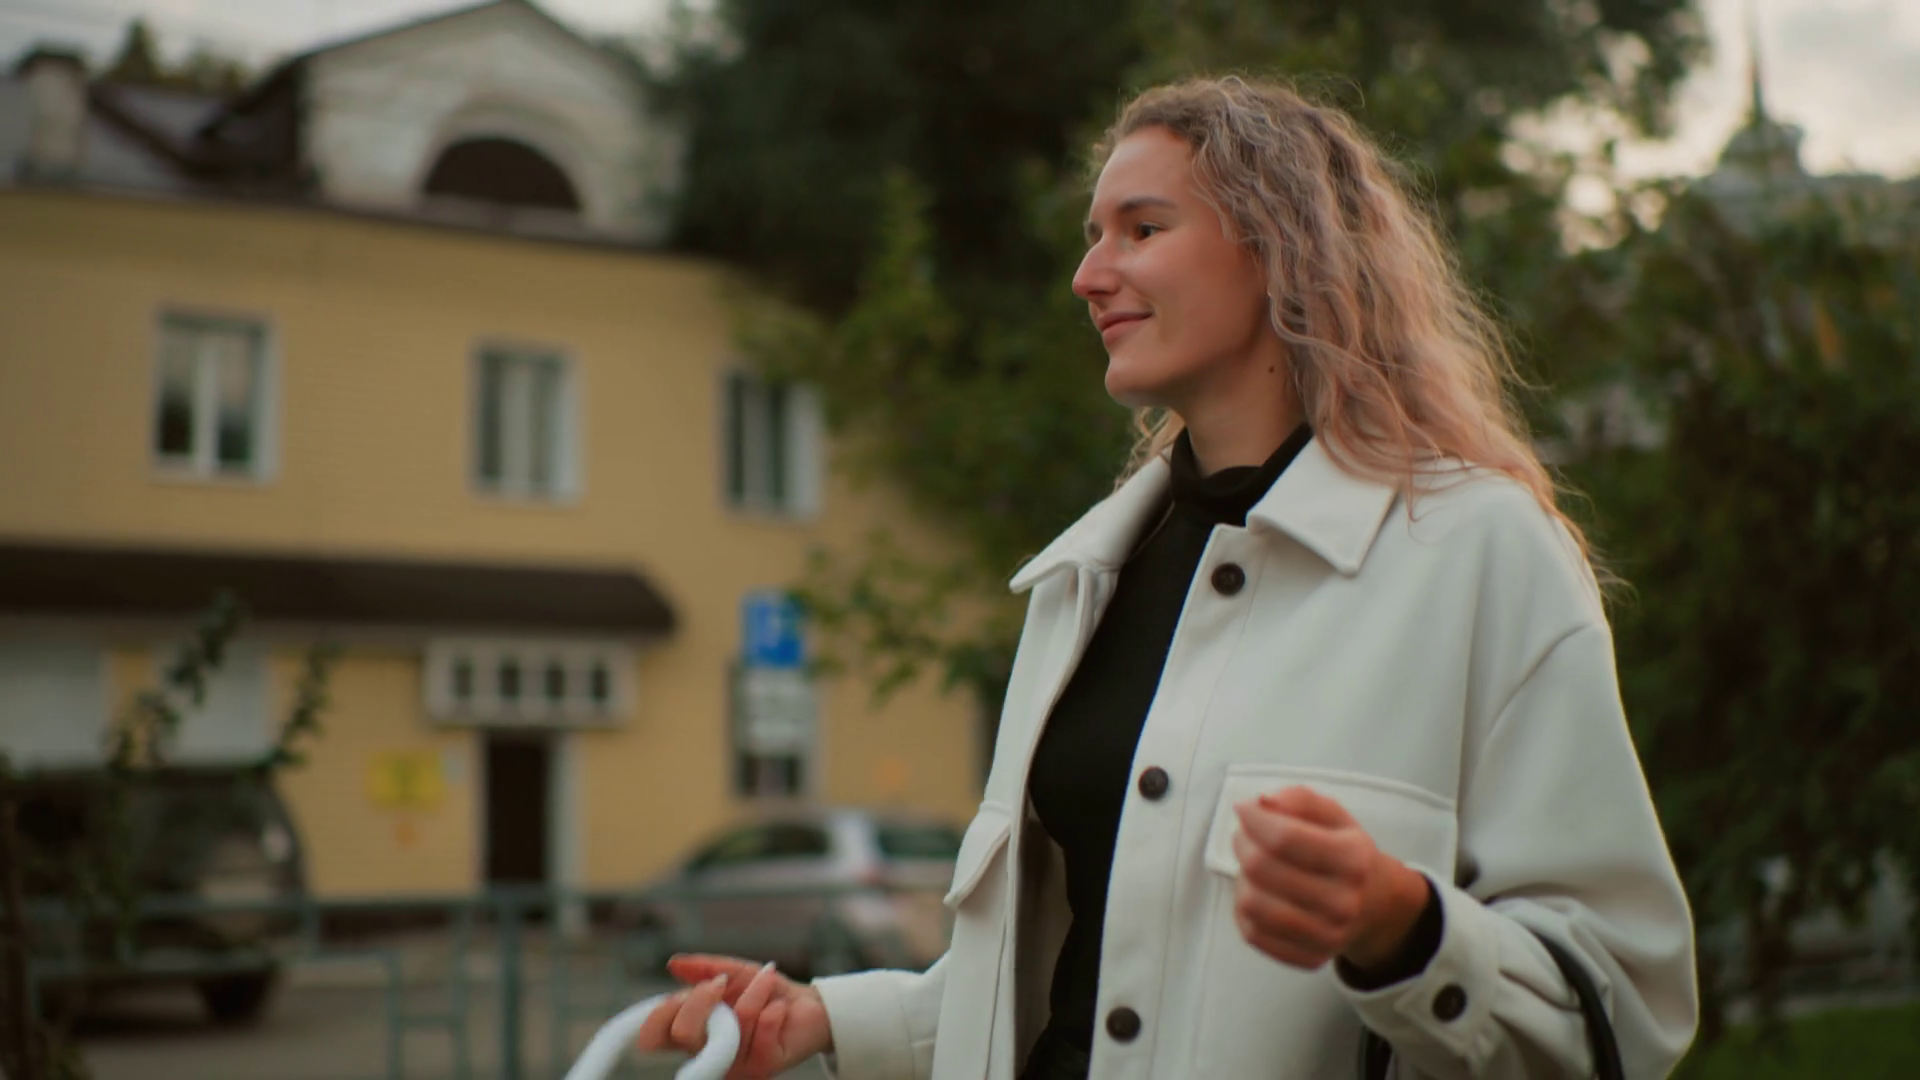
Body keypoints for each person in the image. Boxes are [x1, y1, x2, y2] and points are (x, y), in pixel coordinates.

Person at [635, 75, 1698, 1079]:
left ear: (1284, 249)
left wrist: (1407, 934)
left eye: (1142, 230)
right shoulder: (1084, 580)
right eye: (1092, 236)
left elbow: (1623, 1010)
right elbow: (1076, 977)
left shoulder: (1478, 551)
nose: (1089, 275)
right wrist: (827, 1018)